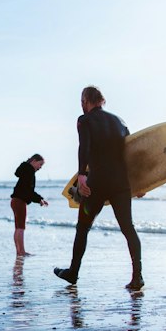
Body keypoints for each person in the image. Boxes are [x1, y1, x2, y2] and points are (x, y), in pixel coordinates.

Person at [54, 86, 143, 291]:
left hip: (97, 183)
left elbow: (83, 146)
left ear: (86, 100)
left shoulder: (84, 120)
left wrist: (82, 176)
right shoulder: (120, 122)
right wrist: (140, 182)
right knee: (128, 229)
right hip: (121, 184)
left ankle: (73, 273)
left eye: (81, 100)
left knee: (83, 228)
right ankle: (137, 277)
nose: (81, 105)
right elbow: (130, 154)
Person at [11, 153, 48, 257]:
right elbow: (29, 191)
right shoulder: (30, 172)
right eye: (40, 164)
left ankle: (19, 251)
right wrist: (40, 199)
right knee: (20, 227)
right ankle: (21, 252)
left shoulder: (25, 170)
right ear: (34, 161)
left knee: (18, 227)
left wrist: (39, 199)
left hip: (15, 200)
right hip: (19, 201)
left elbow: (27, 190)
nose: (40, 167)